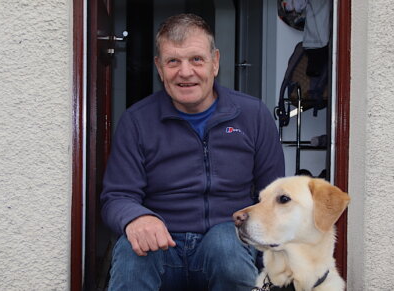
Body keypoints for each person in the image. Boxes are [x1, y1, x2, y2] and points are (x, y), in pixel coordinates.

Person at [100, 13, 285, 291]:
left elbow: (275, 197)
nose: (185, 72)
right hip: (162, 246)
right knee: (133, 248)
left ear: (215, 63)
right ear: (159, 68)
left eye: (196, 59)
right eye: (173, 61)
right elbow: (116, 197)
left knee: (225, 241)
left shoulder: (253, 115)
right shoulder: (137, 121)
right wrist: (136, 218)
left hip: (228, 245)